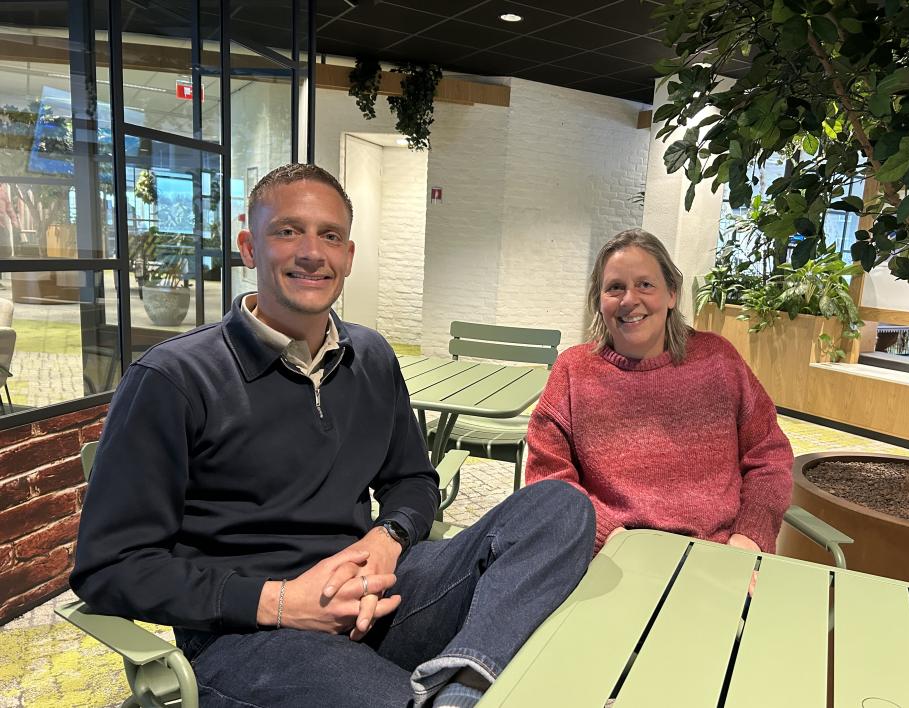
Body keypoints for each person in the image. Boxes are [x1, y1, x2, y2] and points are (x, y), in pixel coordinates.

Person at [71, 163, 595, 708]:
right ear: (249, 248)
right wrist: (281, 602)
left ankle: (465, 684)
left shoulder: (370, 357)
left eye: (330, 236)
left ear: (348, 255)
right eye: (287, 231)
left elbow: (413, 479)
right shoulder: (174, 378)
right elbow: (110, 568)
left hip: (374, 597)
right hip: (250, 636)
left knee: (558, 508)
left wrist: (386, 537)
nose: (311, 252)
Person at [525, 228, 792, 559]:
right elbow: (548, 480)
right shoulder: (572, 371)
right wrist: (607, 537)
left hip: (718, 556)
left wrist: (750, 535)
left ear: (672, 294)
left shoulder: (718, 361)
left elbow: (770, 455)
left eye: (645, 285)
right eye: (615, 288)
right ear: (599, 300)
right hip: (611, 558)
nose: (629, 299)